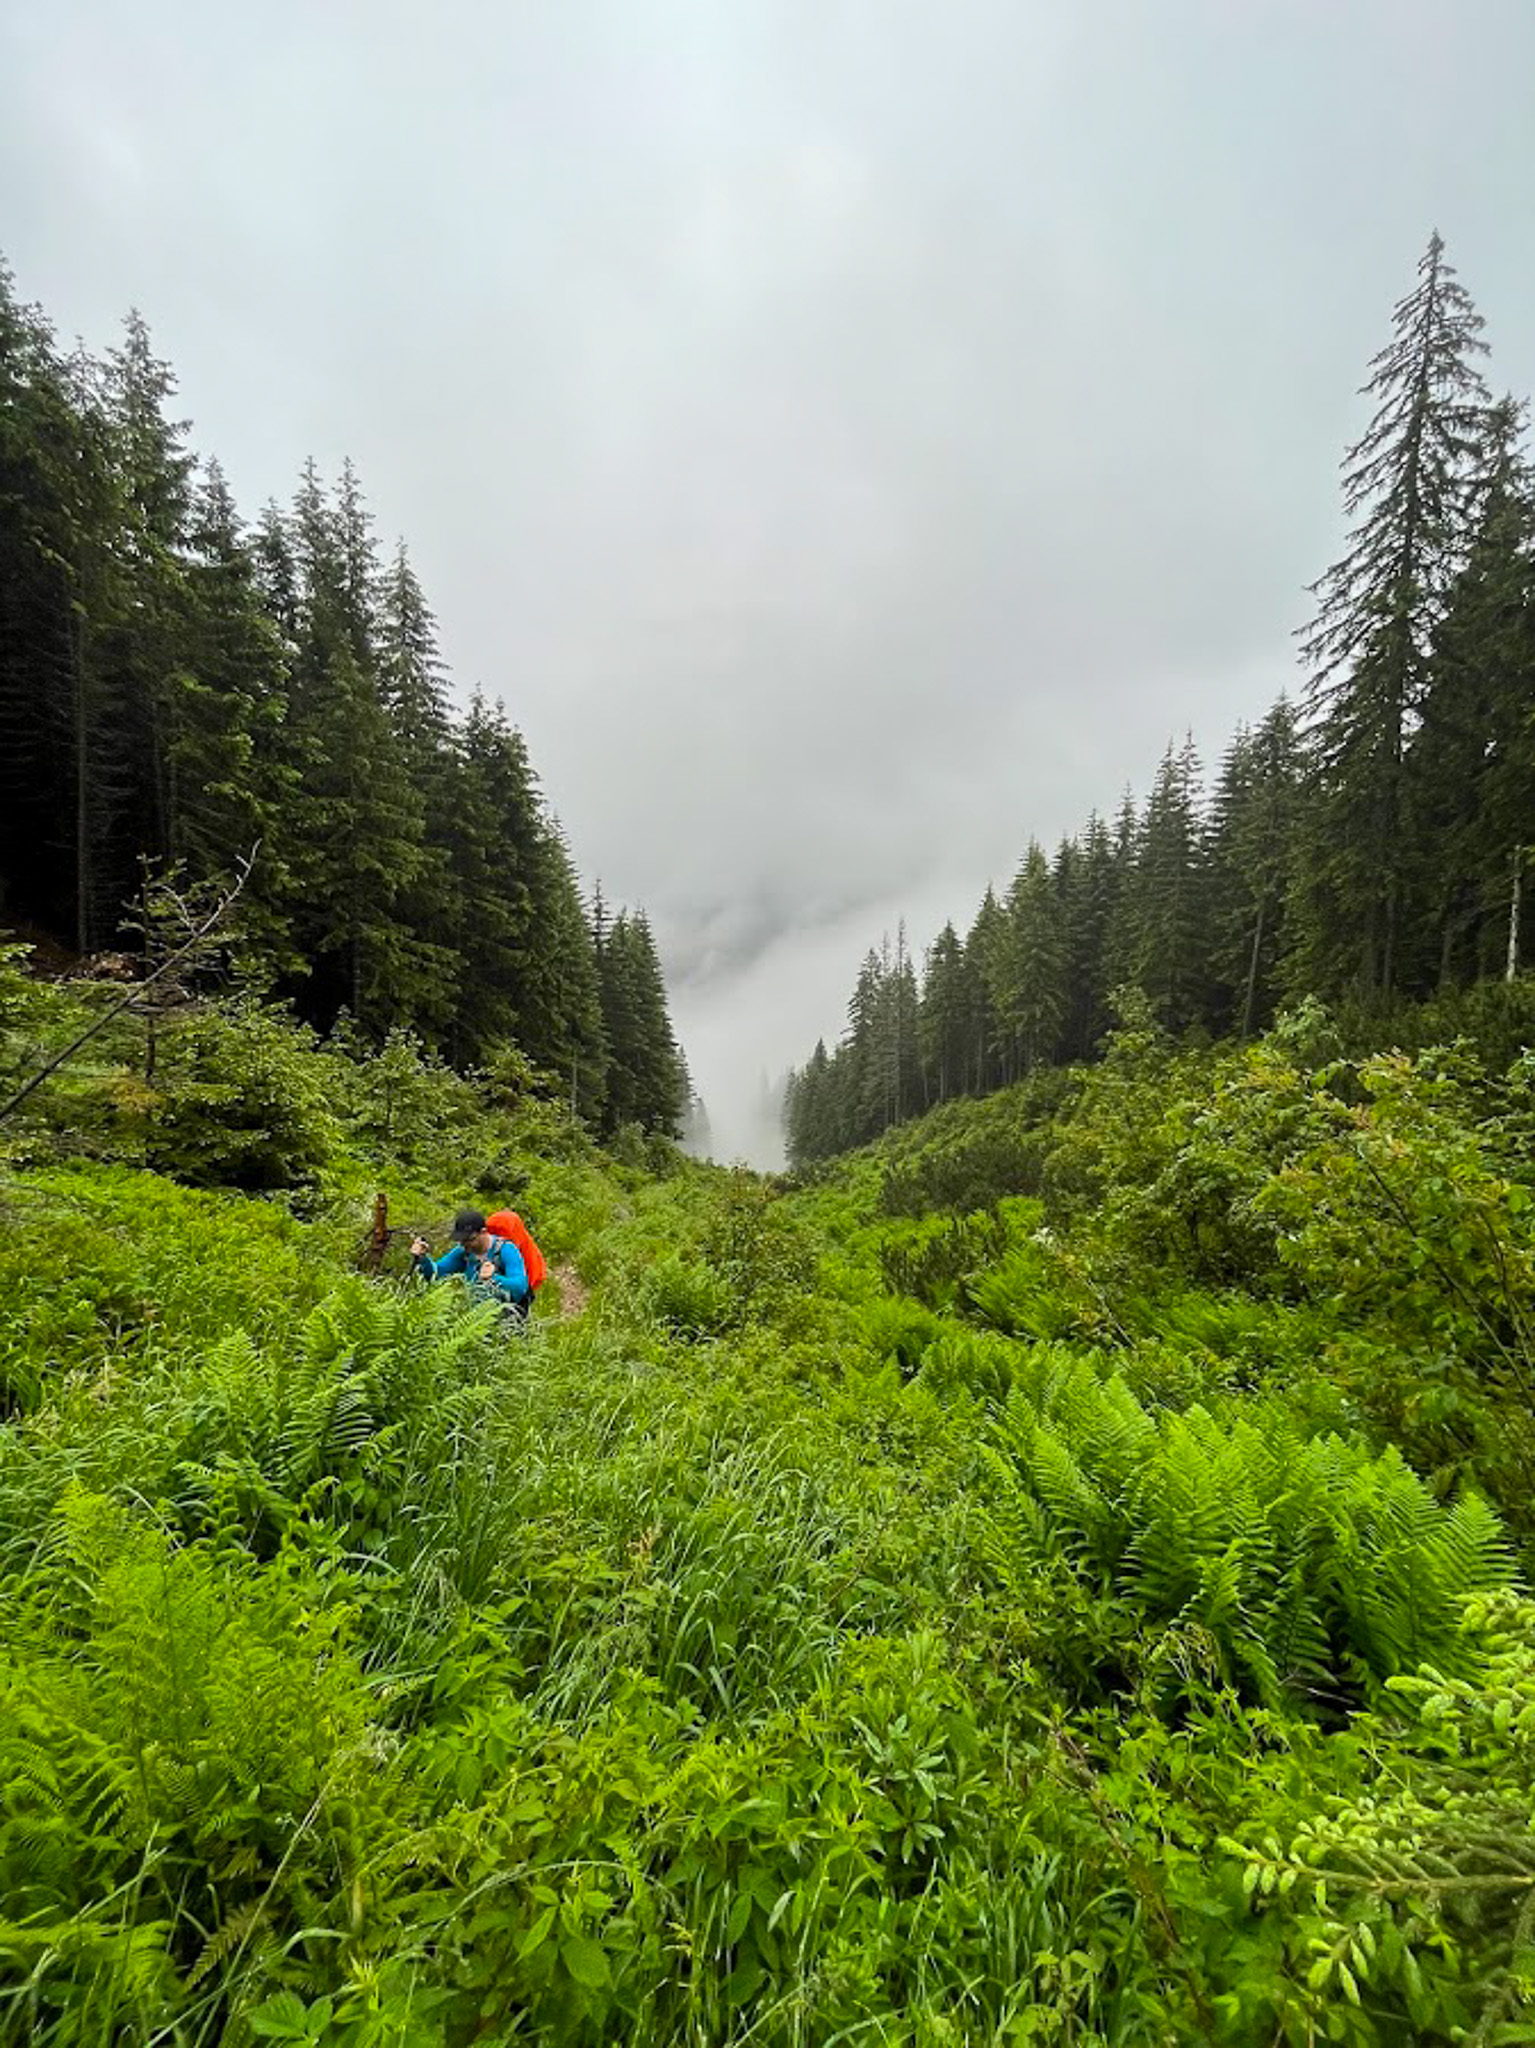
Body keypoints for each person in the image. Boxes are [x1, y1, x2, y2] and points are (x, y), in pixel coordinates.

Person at [411, 1208, 531, 1321]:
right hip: (476, 1321)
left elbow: (520, 1287)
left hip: (508, 1321)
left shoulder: (506, 1250)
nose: (464, 1244)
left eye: (469, 1239)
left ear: (483, 1232)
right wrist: (423, 1258)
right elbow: (436, 1273)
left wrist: (493, 1279)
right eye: (461, 1240)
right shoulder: (464, 1252)